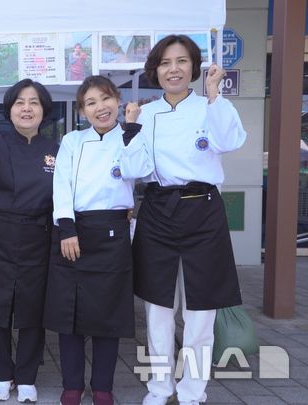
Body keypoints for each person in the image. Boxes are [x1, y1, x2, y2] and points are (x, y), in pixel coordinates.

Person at [132, 35, 246, 405]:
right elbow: (138, 167)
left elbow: (229, 141)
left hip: (203, 208)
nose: (174, 69)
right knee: (158, 309)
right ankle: (159, 388)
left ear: (194, 68)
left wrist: (215, 93)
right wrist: (129, 131)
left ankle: (193, 391)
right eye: (165, 63)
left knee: (201, 310)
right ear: (156, 70)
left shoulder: (211, 104)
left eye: (182, 61)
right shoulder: (146, 113)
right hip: (158, 210)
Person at [43, 76, 153, 405]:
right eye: (90, 102)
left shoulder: (132, 135)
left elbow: (141, 170)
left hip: (113, 233)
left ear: (117, 101)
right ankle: (73, 384)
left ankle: (103, 386)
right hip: (74, 232)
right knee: (70, 316)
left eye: (105, 99)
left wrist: (132, 129)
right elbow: (60, 184)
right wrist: (67, 228)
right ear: (82, 111)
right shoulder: (73, 141)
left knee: (109, 316)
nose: (99, 107)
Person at [0, 79, 59, 403]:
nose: (27, 108)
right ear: (11, 109)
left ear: (44, 109)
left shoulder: (55, 149)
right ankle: (3, 375)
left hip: (38, 237)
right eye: (20, 102)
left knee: (33, 310)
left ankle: (28, 377)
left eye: (33, 102)